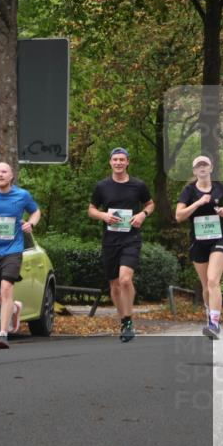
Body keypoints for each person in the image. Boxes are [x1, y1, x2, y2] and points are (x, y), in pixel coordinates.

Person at [88, 147, 154, 343]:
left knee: (125, 279)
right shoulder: (102, 186)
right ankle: (124, 319)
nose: (118, 163)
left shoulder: (138, 185)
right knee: (114, 284)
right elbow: (91, 209)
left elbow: (150, 204)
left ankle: (128, 320)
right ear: (110, 162)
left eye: (121, 160)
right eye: (115, 160)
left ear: (127, 162)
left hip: (131, 239)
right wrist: (103, 215)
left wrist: (143, 214)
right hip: (110, 240)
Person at [0, 162, 41, 349]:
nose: (0, 175)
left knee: (7, 289)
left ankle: (3, 334)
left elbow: (36, 211)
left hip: (13, 250)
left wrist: (31, 223)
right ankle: (14, 308)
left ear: (11, 175)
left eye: (4, 171)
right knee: (0, 297)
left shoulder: (22, 195)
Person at [175, 155, 223, 339]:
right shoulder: (188, 191)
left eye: (205, 164)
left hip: (219, 239)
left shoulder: (220, 187)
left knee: (213, 280)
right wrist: (198, 202)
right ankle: (210, 312)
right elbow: (179, 216)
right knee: (206, 286)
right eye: (198, 165)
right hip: (198, 242)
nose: (202, 168)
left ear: (211, 168)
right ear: (194, 171)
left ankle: (214, 324)